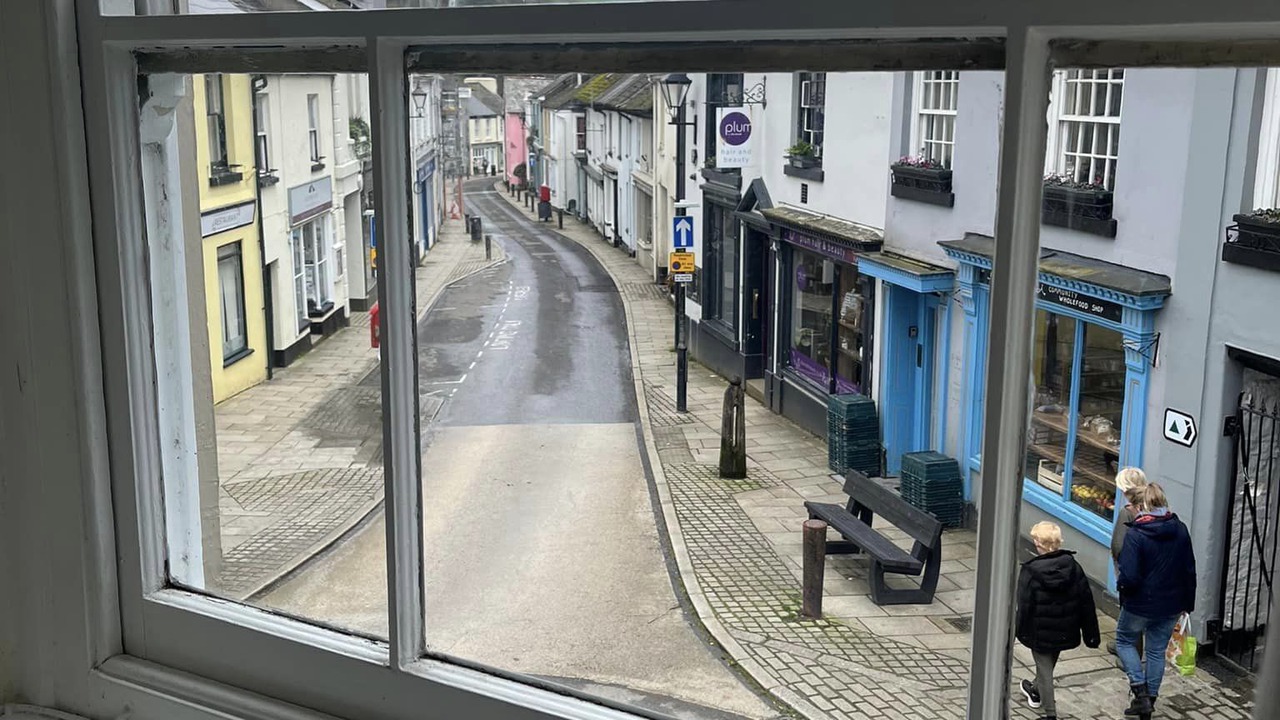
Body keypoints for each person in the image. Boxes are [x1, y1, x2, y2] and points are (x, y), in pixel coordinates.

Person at [1115, 483, 1197, 719]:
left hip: (1140, 604)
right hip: (1171, 604)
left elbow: (1129, 576)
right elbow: (1189, 569)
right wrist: (1187, 604)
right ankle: (1149, 703)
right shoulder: (1180, 529)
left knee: (1124, 641)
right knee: (1155, 651)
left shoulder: (1136, 535)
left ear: (1142, 506)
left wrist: (1123, 589)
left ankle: (1140, 693)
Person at [1016, 521, 1101, 720]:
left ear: (1039, 544)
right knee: (1048, 662)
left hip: (1040, 630)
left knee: (1045, 669)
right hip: (1066, 628)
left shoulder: (1030, 571)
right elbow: (1086, 602)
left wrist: (1017, 631)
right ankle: (1036, 690)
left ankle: (1050, 713)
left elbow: (1024, 605)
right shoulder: (1073, 567)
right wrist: (1091, 634)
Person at [1108, 467, 1149, 657]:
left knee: (1129, 612)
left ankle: (1129, 655)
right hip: (1148, 570)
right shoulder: (1153, 506)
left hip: (1130, 571)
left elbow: (1118, 546)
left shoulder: (1128, 512)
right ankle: (1126, 648)